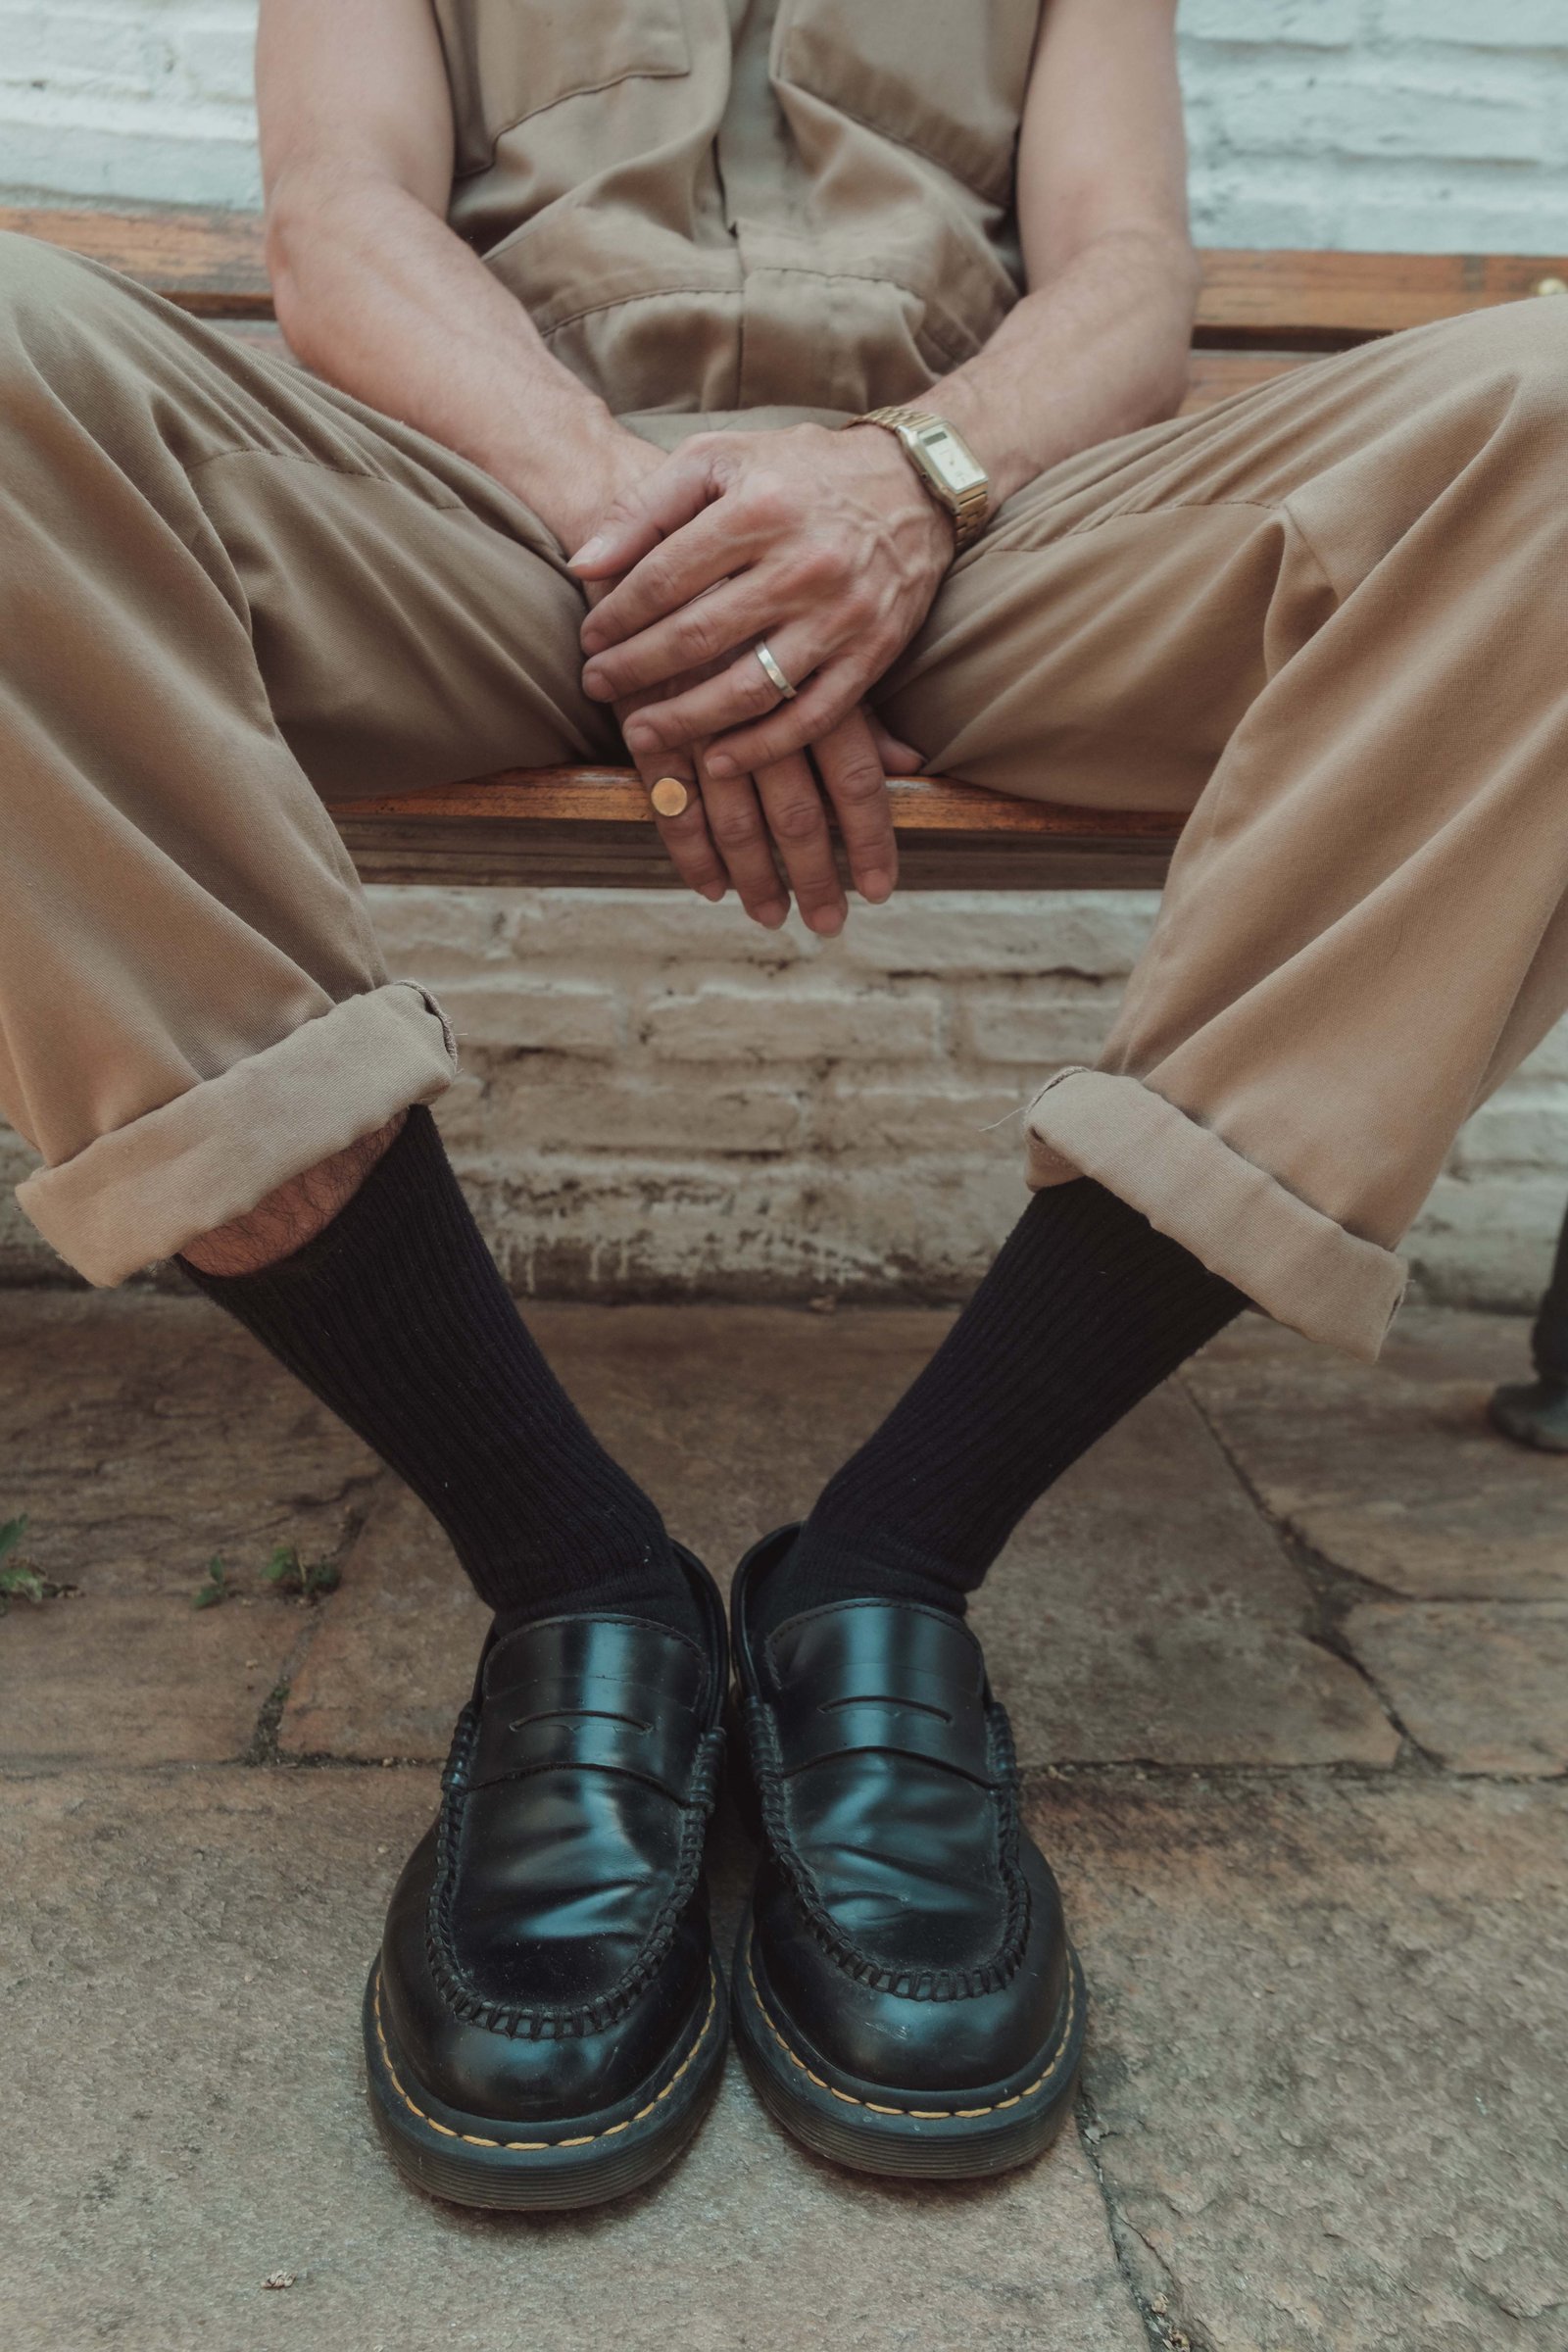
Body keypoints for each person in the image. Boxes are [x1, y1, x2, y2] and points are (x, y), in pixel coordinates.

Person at [4, 0, 1565, 2206]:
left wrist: (899, 490)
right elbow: (343, 225)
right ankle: (577, 1581)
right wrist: (660, 536)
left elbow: (1124, 274)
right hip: (484, 524)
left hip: (990, 538)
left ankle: (883, 1566)